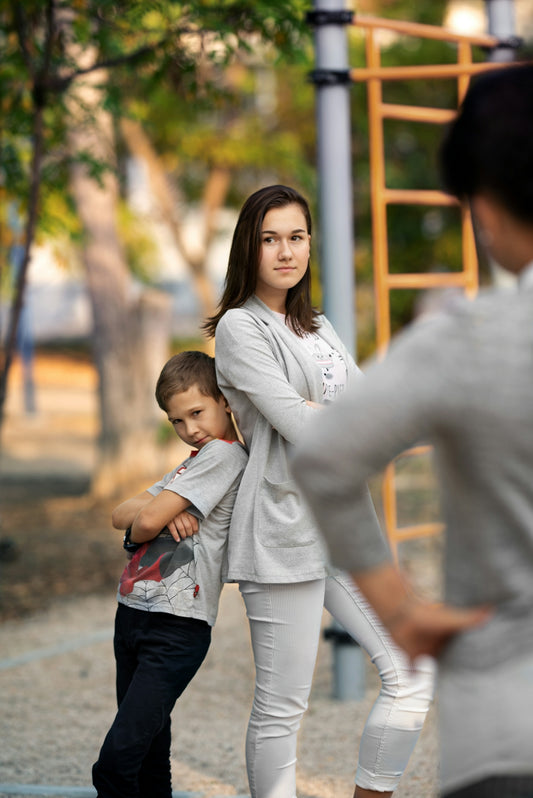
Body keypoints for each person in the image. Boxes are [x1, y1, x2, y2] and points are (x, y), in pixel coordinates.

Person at [292, 64, 533, 798]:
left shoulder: (464, 338)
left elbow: (326, 456)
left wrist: (397, 606)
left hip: (506, 727)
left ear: (482, 207)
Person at [202, 185, 434, 798]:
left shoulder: (319, 325)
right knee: (283, 707)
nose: (285, 251)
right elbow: (305, 427)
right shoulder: (240, 328)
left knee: (413, 670)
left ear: (310, 244)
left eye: (296, 237)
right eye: (270, 238)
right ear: (248, 247)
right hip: (281, 528)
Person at [92, 351, 248, 798]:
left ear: (225, 401)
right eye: (176, 421)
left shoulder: (221, 455)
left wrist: (155, 513)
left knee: (117, 763)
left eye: (196, 413)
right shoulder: (193, 461)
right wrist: (162, 511)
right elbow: (120, 513)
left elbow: (140, 523)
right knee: (149, 754)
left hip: (177, 626)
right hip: (133, 615)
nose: (188, 430)